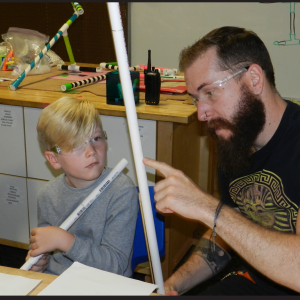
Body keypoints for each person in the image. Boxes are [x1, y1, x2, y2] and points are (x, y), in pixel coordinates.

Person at [143, 26, 300, 295]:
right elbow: (232, 227)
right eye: (195, 99)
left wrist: (205, 207)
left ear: (253, 79)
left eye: (210, 93)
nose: (201, 113)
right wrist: (172, 285)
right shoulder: (235, 140)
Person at [25, 96, 138, 277]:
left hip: (106, 285)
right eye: (76, 145)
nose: (91, 151)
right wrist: (39, 263)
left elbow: (115, 265)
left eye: (96, 138)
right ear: (54, 159)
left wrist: (64, 240)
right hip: (58, 280)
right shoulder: (47, 195)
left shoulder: (121, 190)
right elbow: (45, 250)